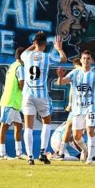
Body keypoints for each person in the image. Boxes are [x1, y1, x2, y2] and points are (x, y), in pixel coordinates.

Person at [56, 50, 95, 164]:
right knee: (77, 136)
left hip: (90, 107)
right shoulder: (75, 73)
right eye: (84, 58)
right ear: (81, 60)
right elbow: (61, 83)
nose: (86, 60)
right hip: (77, 109)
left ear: (92, 60)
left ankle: (90, 159)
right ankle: (86, 150)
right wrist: (60, 77)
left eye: (88, 58)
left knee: (90, 131)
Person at [21, 31, 66, 165]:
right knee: (47, 122)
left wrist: (33, 44)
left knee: (28, 126)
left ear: (34, 43)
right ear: (45, 44)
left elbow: (23, 53)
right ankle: (42, 152)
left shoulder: (27, 56)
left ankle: (29, 156)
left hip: (28, 94)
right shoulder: (47, 57)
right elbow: (63, 59)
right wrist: (59, 49)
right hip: (41, 94)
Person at [0, 47, 26, 160]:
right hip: (9, 102)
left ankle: (19, 153)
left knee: (19, 125)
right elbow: (21, 84)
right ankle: (2, 154)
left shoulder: (13, 66)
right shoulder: (19, 67)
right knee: (4, 126)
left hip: (15, 103)